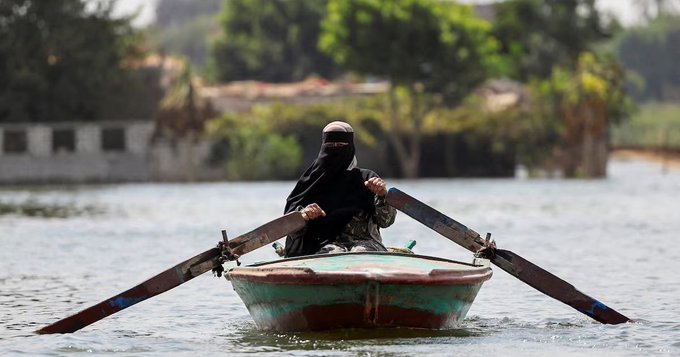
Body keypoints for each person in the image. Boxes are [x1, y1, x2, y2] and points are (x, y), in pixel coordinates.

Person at [283, 121, 396, 258]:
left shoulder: (367, 180)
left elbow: (386, 222)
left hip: (366, 244)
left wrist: (383, 194)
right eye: (330, 146)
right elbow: (288, 228)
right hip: (323, 245)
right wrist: (304, 215)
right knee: (333, 254)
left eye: (341, 146)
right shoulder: (310, 183)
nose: (335, 151)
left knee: (360, 253)